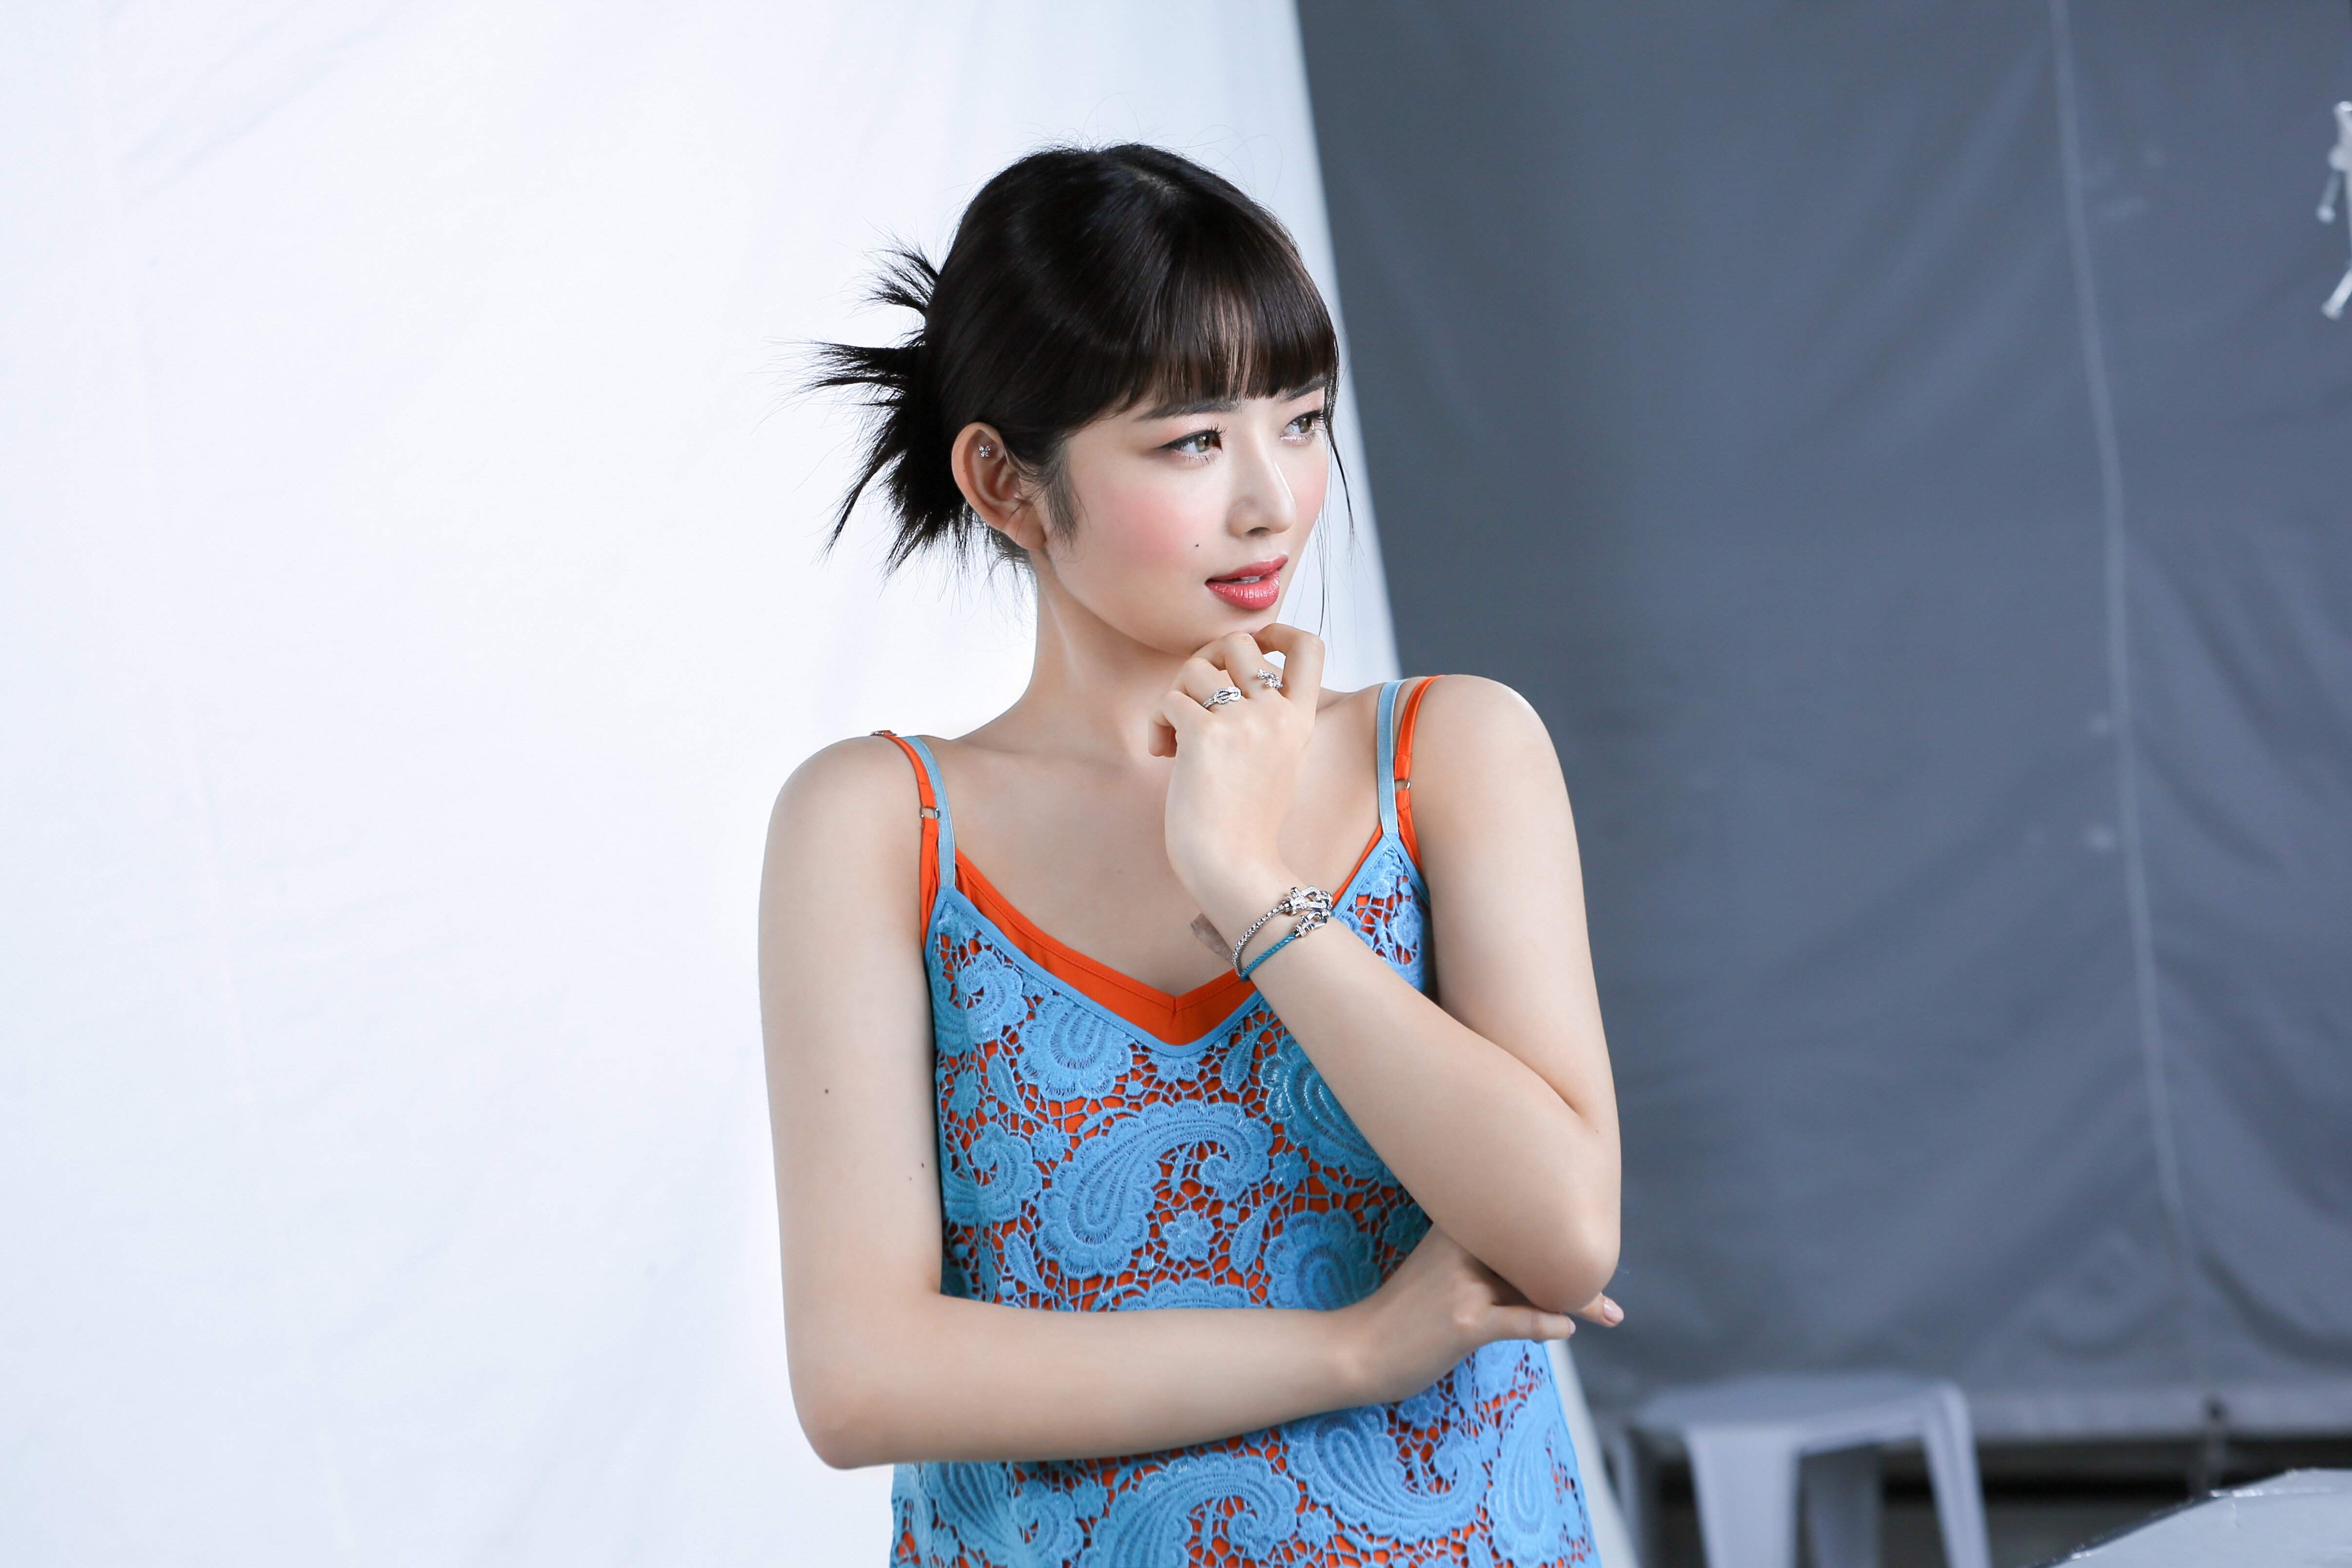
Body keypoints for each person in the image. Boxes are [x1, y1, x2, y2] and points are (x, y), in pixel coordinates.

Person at [761, 143, 1622, 1567]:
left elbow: (1565, 1234)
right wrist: (1351, 1351)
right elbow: (862, 1381)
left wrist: (1246, 882)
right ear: (1004, 480)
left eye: (1302, 419)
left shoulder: (1451, 754)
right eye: (1193, 443)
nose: (1274, 500)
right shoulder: (878, 825)